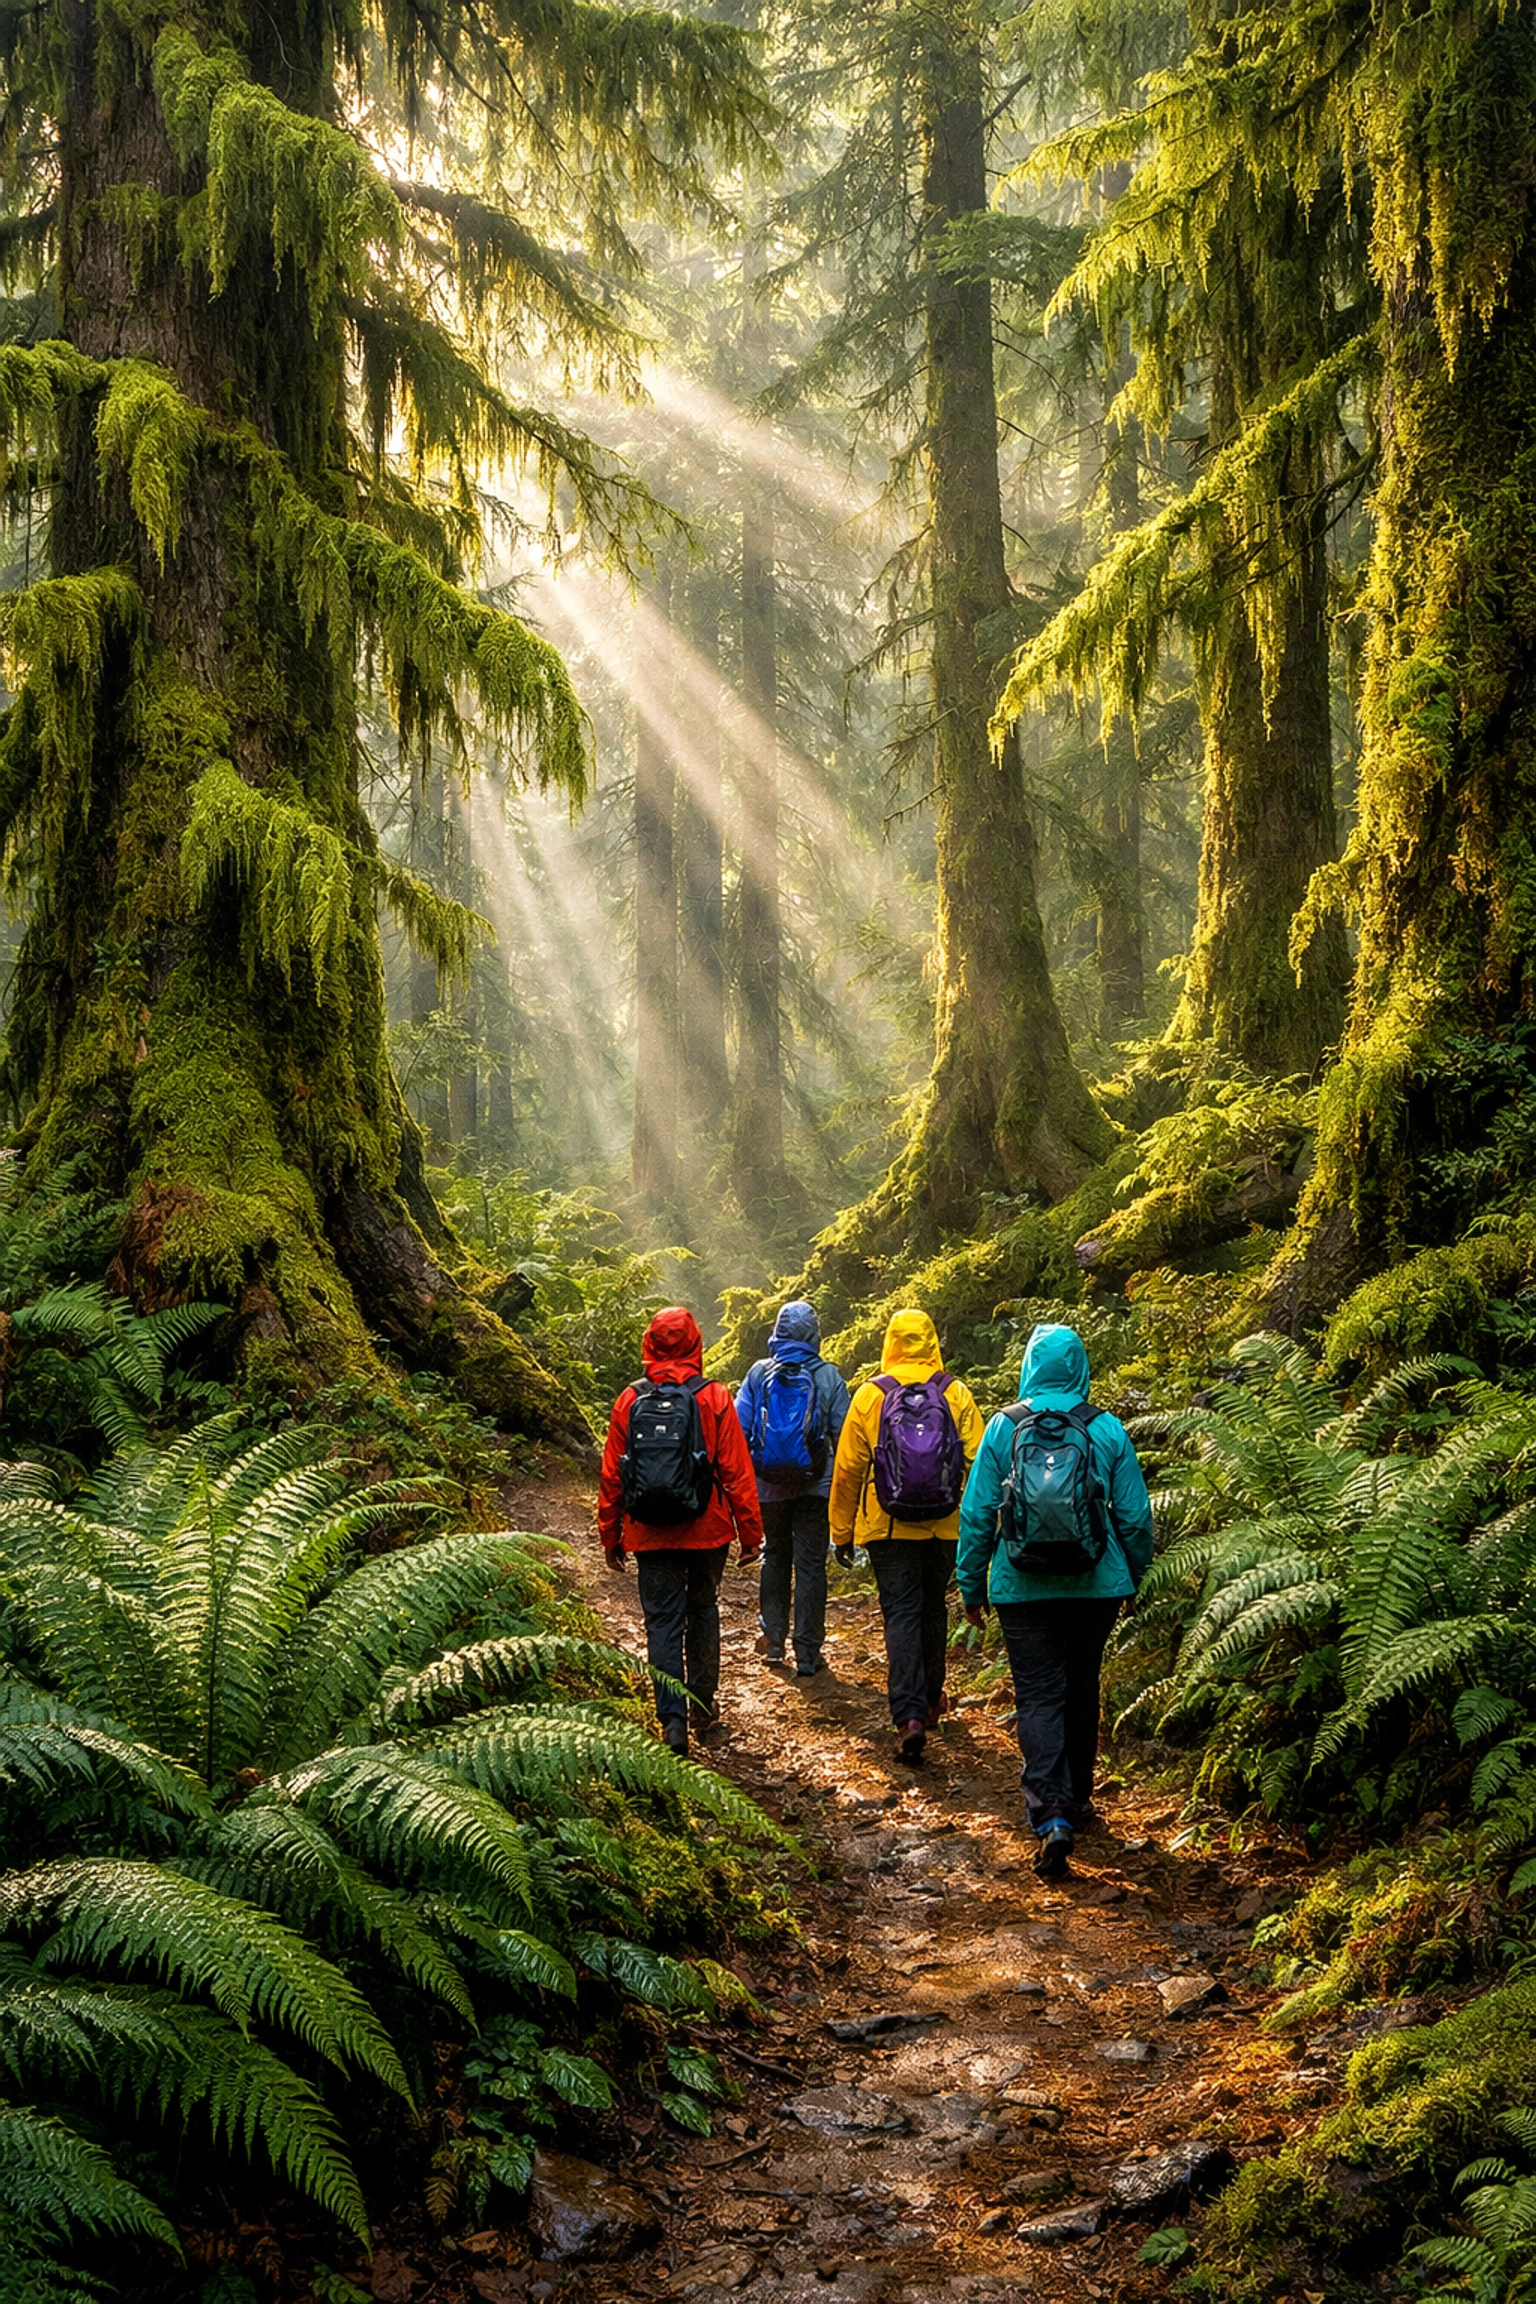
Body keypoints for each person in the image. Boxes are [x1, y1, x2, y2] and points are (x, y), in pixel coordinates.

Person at [957, 1321, 1154, 1878]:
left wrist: (972, 1586)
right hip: (1097, 1584)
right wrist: (1134, 1578)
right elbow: (1135, 1518)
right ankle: (1079, 1797)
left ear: (1029, 1365)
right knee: (1081, 1684)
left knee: (1039, 1695)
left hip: (1022, 1588)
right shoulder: (1106, 1429)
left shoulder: (1003, 1428)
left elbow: (976, 1516)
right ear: (1081, 1366)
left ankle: (1051, 1815)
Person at [598, 1306, 763, 1756]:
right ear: (696, 1344)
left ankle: (672, 1723)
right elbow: (735, 1469)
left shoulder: (629, 1400)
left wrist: (610, 1534)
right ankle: (702, 1704)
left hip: (648, 1531)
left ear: (649, 1344)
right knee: (703, 1609)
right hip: (706, 1529)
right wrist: (750, 1533)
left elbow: (613, 1475)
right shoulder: (713, 1397)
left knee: (662, 1622)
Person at [828, 1309, 985, 1763]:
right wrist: (976, 1526)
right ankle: (933, 1700)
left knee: (900, 1613)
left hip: (887, 1525)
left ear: (890, 1343)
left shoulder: (870, 1396)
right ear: (932, 1341)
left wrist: (842, 1532)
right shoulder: (954, 1391)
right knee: (933, 1607)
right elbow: (978, 1461)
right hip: (945, 1523)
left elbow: (848, 1469)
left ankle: (909, 1716)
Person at [735, 1301, 851, 1677]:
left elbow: (740, 1429)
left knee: (775, 1556)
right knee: (811, 1564)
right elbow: (844, 1436)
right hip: (815, 1486)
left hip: (768, 1485)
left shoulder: (758, 1373)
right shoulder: (829, 1376)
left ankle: (773, 1641)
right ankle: (807, 1651)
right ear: (815, 1335)